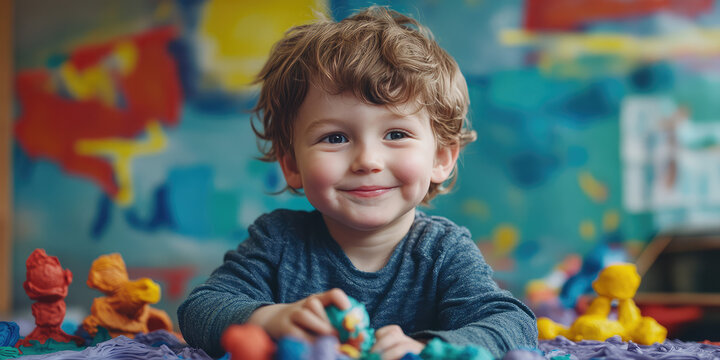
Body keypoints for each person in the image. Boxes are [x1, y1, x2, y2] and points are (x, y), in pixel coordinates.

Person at [178, 6, 537, 359]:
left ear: (441, 158)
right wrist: (272, 318)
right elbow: (200, 310)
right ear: (291, 164)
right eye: (335, 138)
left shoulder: (443, 252)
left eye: (396, 133)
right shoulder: (278, 242)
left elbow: (513, 325)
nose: (367, 161)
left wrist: (430, 349)